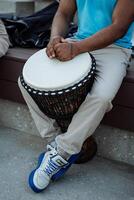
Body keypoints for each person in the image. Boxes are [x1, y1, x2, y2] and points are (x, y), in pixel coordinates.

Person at [18, 0, 134, 193]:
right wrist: (55, 37)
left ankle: (62, 153)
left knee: (102, 97)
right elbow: (63, 12)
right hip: (78, 41)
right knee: (26, 81)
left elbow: (118, 28)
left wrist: (76, 49)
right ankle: (54, 140)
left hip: (114, 48)